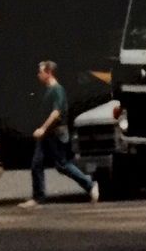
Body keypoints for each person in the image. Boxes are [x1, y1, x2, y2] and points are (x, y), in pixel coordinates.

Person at [19, 60, 97, 208]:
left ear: (49, 73)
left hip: (55, 133)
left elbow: (56, 113)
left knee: (62, 165)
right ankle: (38, 197)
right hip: (48, 135)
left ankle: (90, 185)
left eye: (40, 71)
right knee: (37, 164)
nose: (38, 74)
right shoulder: (48, 89)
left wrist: (43, 128)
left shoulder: (57, 90)